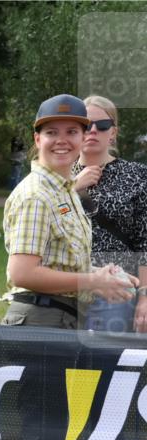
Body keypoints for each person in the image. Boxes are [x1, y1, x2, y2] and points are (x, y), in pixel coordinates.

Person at [0, 93, 134, 440]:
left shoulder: (63, 189)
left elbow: (60, 266)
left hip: (54, 322)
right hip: (41, 323)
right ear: (36, 137)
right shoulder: (39, 193)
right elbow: (23, 271)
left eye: (73, 131)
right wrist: (92, 282)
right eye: (52, 132)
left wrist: (100, 276)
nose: (64, 140)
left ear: (84, 137)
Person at [73, 94, 147, 333]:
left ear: (113, 132)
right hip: (66, 286)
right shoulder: (59, 174)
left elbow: (144, 242)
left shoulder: (137, 175)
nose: (93, 130)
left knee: (105, 355)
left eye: (103, 125)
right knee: (60, 356)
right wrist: (73, 187)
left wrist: (145, 297)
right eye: (86, 124)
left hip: (116, 287)